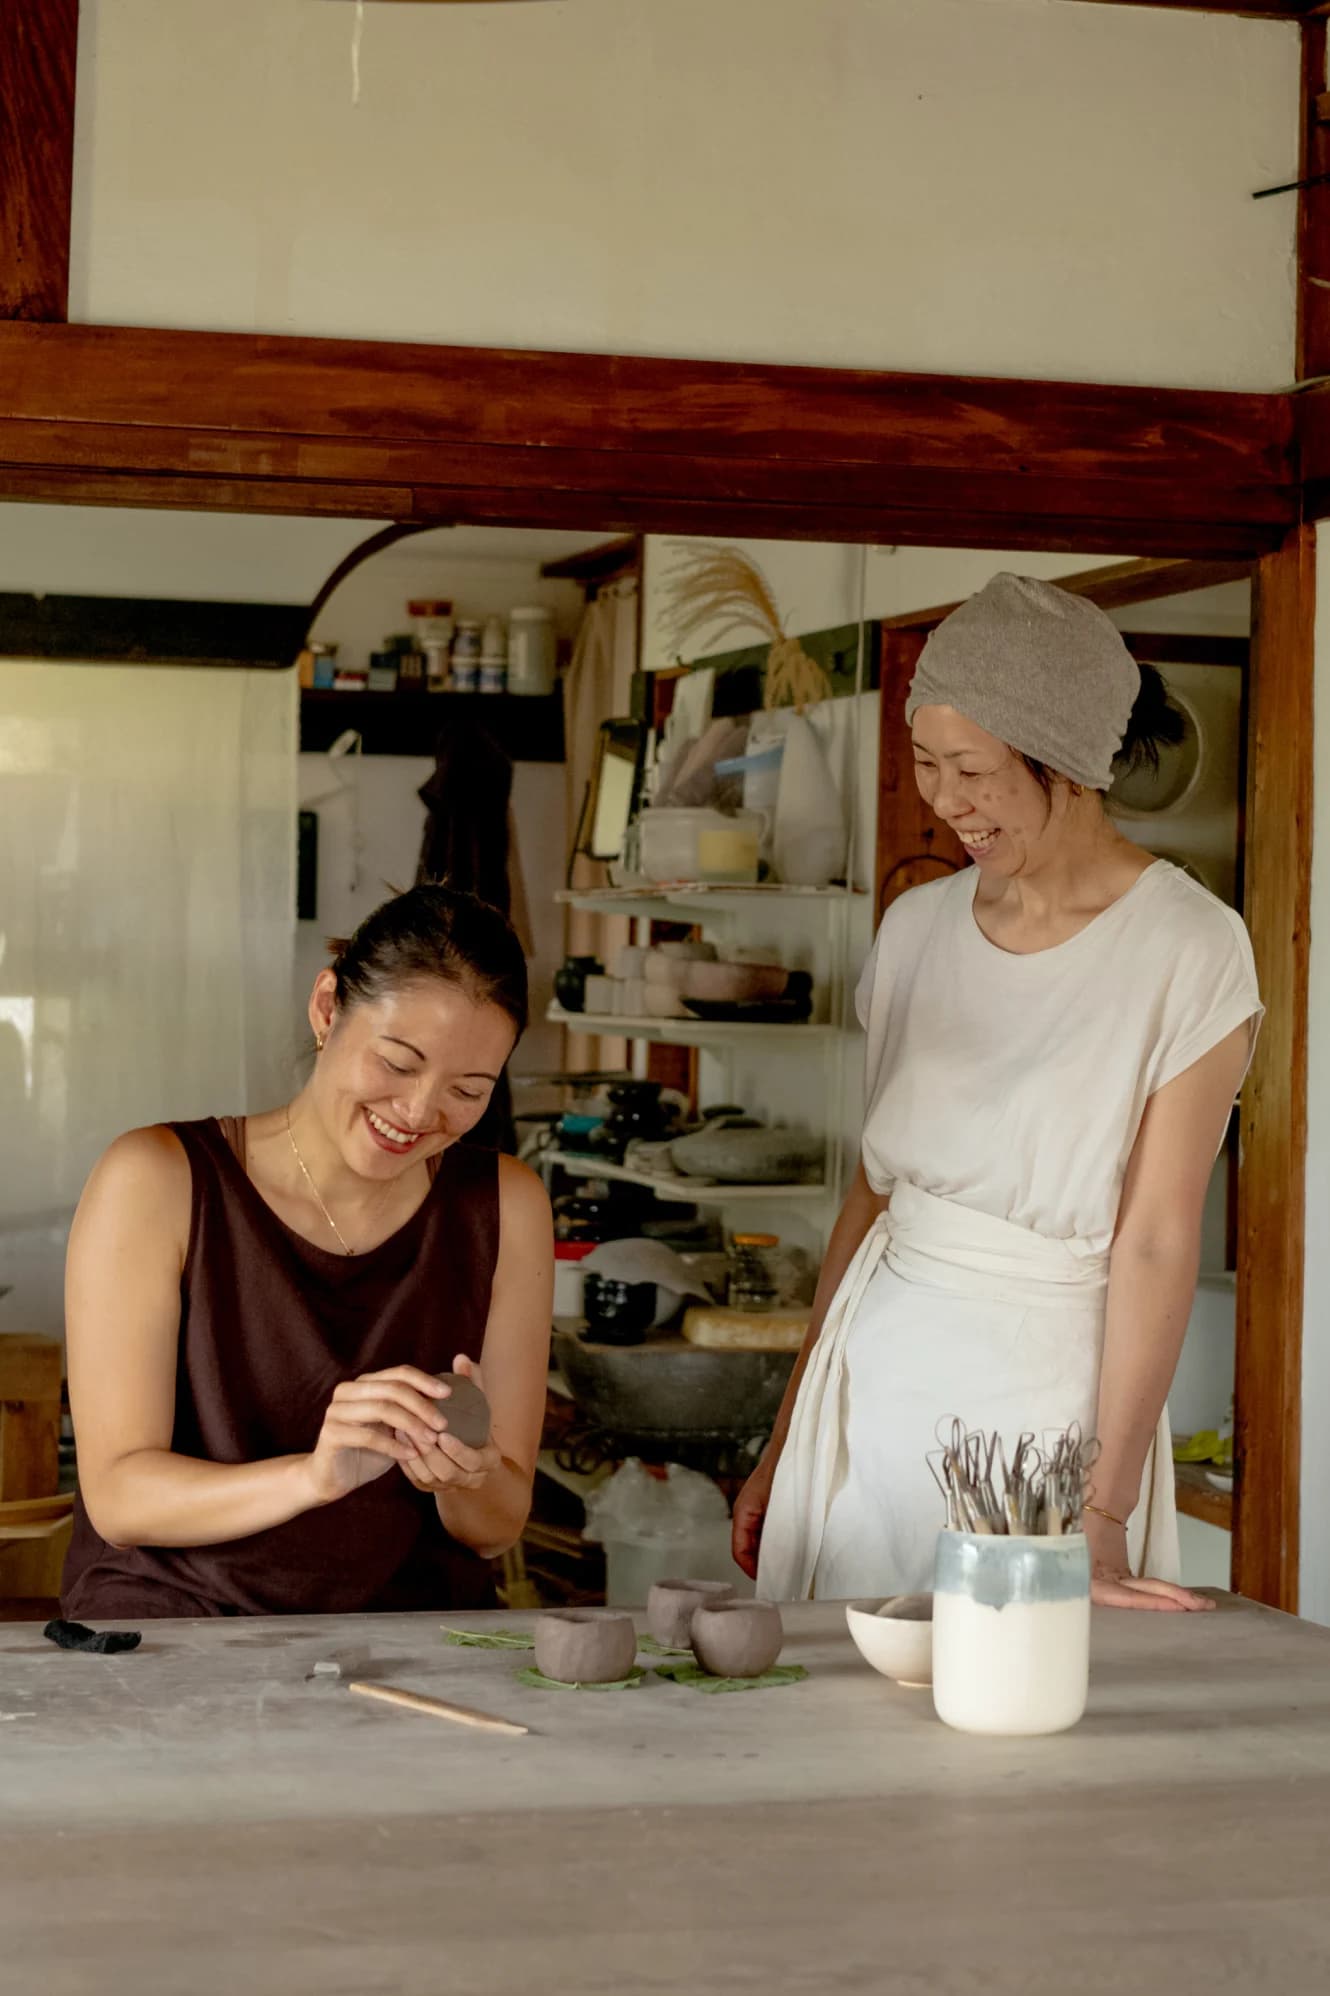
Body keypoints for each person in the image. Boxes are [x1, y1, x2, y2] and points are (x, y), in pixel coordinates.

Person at [736, 574, 1261, 1613]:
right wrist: (784, 1439)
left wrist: (1102, 1517)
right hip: (872, 1386)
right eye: (926, 764)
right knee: (838, 1716)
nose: (943, 799)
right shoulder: (916, 928)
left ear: (1065, 761)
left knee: (1014, 1714)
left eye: (971, 769)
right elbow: (868, 1197)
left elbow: (1155, 1241)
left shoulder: (1188, 946)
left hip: (1044, 1406)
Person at [61, 884, 553, 1619]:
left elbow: (497, 1529)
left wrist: (466, 1478)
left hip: (409, 1639)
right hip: (178, 1626)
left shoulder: (506, 1205)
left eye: (469, 1089)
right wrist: (316, 1478)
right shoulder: (157, 1179)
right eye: (397, 1061)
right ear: (328, 1008)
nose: (420, 1113)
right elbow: (121, 1498)